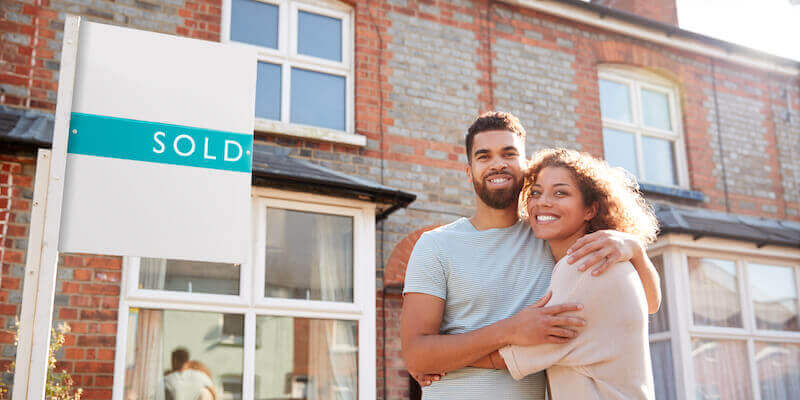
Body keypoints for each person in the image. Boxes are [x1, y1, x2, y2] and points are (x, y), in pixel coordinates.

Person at [401, 112, 661, 400]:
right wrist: (509, 330)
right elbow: (416, 355)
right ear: (468, 171)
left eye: (508, 154)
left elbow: (648, 304)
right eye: (484, 156)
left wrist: (636, 250)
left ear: (525, 167)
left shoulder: (554, 241)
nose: (497, 163)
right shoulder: (435, 245)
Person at [473, 148, 659, 399]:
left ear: (590, 210)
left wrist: (437, 360)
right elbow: (652, 304)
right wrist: (636, 250)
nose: (543, 202)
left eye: (560, 192)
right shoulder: (608, 260)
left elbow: (506, 358)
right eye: (536, 192)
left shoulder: (584, 268)